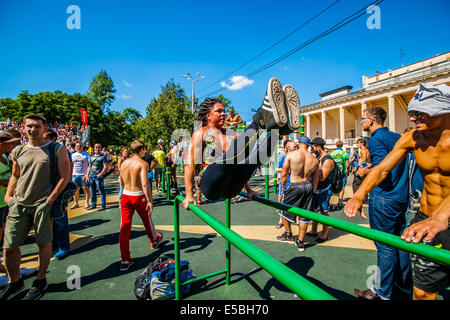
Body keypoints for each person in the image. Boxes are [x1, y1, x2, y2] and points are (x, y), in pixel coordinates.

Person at [346, 83, 450, 300]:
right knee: (423, 291)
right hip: (427, 218)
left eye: (419, 113)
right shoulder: (413, 137)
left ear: (442, 110)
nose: (412, 118)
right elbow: (382, 168)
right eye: (411, 113)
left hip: (442, 218)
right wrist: (359, 194)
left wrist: (442, 216)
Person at [182, 77, 301, 210]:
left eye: (224, 111)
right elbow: (189, 165)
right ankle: (262, 115)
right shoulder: (201, 133)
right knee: (230, 157)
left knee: (254, 159)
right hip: (211, 186)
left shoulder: (230, 134)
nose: (223, 114)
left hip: (231, 189)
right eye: (218, 111)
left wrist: (249, 189)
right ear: (208, 115)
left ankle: (278, 130)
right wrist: (188, 194)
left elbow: (242, 166)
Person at [0, 114, 71, 300]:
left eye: (37, 126)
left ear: (44, 127)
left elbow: (65, 176)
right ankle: (14, 281)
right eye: (29, 126)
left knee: (43, 243)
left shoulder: (56, 148)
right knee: (9, 247)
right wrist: (9, 196)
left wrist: (51, 199)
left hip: (42, 204)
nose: (33, 130)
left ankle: (40, 280)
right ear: (23, 127)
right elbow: (15, 175)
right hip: (18, 203)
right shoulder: (18, 151)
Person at [345, 105, 411, 300]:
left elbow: (383, 170)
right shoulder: (396, 137)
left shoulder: (376, 139)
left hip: (383, 197)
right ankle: (402, 288)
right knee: (401, 244)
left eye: (363, 119)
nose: (362, 122)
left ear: (372, 120)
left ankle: (381, 292)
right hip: (400, 197)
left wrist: (365, 174)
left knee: (385, 247)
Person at [0, 133, 37, 289]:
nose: (13, 145)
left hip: (4, 203)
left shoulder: (6, 157)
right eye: (10, 143)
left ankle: (11, 270)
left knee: (5, 237)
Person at [119, 140, 162, 272]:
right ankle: (153, 240)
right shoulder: (143, 163)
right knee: (147, 219)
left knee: (124, 227)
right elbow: (145, 183)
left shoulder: (124, 162)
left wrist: (122, 196)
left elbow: (121, 180)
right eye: (144, 149)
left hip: (126, 195)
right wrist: (150, 200)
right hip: (138, 195)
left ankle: (125, 259)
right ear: (142, 149)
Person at [277, 136, 319, 252]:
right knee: (304, 215)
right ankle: (300, 241)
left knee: (283, 209)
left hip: (295, 185)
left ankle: (288, 234)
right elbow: (315, 179)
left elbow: (284, 174)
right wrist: (313, 190)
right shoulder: (314, 159)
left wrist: (284, 188)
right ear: (308, 145)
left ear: (300, 143)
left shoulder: (291, 155)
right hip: (308, 186)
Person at [43, 130, 74, 260]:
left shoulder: (62, 150)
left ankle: (63, 246)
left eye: (46, 137)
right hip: (45, 189)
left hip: (59, 188)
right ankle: (54, 244)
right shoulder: (43, 150)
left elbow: (68, 170)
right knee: (49, 220)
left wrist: (65, 185)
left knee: (60, 218)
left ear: (54, 138)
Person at [307, 137, 334, 243]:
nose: (310, 149)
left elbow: (322, 177)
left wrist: (312, 170)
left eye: (312, 147)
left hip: (324, 190)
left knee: (324, 212)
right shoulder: (318, 158)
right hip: (316, 189)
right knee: (314, 210)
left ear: (318, 147)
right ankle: (314, 230)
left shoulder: (327, 160)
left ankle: (324, 234)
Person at [352, 138, 371, 218]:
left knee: (356, 184)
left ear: (362, 143)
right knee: (363, 183)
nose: (357, 145)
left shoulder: (363, 150)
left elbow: (363, 160)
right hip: (364, 168)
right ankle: (364, 197)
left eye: (358, 143)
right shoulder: (366, 150)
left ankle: (357, 198)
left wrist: (360, 168)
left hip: (361, 168)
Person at [86, 143, 107, 211]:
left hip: (98, 177)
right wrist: (87, 175)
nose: (97, 148)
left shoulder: (103, 157)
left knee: (101, 191)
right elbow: (89, 167)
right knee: (92, 191)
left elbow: (105, 166)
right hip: (91, 176)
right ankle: (93, 204)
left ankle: (103, 205)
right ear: (94, 148)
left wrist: (101, 174)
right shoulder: (91, 157)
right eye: (96, 147)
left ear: (100, 148)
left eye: (99, 147)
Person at [275, 139, 291, 229]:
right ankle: (281, 220)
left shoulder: (291, 155)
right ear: (286, 147)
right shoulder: (283, 155)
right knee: (282, 200)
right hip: (285, 181)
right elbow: (277, 169)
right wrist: (288, 171)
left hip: (292, 182)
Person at [70, 142, 91, 209]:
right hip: (74, 174)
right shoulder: (73, 155)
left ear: (82, 147)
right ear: (75, 147)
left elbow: (89, 165)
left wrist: (87, 175)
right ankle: (76, 203)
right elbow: (70, 165)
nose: (78, 148)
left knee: (85, 188)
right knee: (75, 190)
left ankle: (86, 202)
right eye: (77, 146)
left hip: (83, 174)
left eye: (80, 146)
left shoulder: (87, 155)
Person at [329, 140, 349, 210]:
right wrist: (347, 171)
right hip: (342, 172)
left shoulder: (332, 153)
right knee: (342, 186)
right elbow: (347, 163)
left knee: (332, 185)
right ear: (342, 145)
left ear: (336, 146)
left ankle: (328, 200)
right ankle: (340, 201)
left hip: (334, 172)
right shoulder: (345, 154)